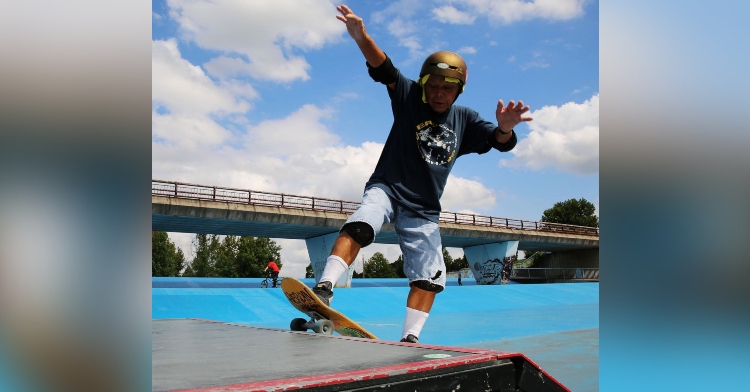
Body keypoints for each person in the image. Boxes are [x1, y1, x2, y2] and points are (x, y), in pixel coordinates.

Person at [312, 4, 533, 343]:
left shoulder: (467, 119)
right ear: (425, 83)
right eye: (435, 86)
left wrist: (505, 128)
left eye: (448, 88)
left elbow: (499, 142)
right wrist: (361, 37)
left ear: (458, 90)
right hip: (387, 187)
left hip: (424, 208)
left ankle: (410, 338)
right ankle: (324, 288)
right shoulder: (410, 96)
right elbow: (383, 67)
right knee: (361, 224)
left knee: (429, 276)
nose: (440, 94)